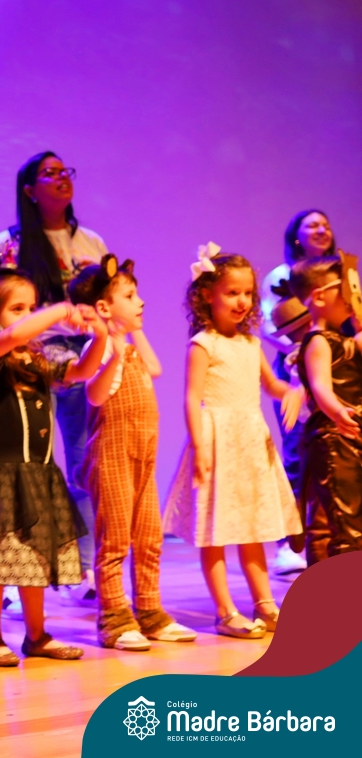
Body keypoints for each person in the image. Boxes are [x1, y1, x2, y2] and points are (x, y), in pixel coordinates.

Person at [0, 268, 105, 666]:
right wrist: (61, 310)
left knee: (34, 558)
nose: (28, 316)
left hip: (38, 474)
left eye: (31, 307)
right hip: (1, 476)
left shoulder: (37, 356)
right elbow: (12, 335)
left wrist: (101, 336)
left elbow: (81, 372)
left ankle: (37, 635)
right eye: (18, 307)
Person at [0, 152, 105, 608]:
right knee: (23, 465)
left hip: (80, 356)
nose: (61, 179)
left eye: (65, 171)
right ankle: (15, 571)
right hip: (28, 357)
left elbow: (108, 297)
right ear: (30, 190)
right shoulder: (8, 243)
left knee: (82, 464)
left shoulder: (90, 241)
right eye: (49, 174)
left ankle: (84, 569)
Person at [163, 245, 303, 638]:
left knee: (252, 528)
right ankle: (225, 612)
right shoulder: (203, 344)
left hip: (250, 443)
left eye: (247, 293)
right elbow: (192, 398)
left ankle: (265, 604)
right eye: (232, 292)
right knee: (216, 530)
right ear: (208, 294)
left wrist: (293, 389)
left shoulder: (251, 343)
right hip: (217, 442)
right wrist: (200, 447)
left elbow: (271, 386)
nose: (242, 301)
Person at [67, 257, 196, 651]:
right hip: (112, 454)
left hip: (143, 454)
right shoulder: (100, 348)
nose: (140, 301)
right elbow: (94, 394)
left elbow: (155, 367)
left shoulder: (131, 347)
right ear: (104, 308)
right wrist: (112, 349)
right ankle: (114, 618)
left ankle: (150, 610)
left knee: (149, 536)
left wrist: (132, 329)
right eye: (129, 296)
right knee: (115, 539)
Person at [259, 209, 339, 575]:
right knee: (297, 454)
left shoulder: (340, 274)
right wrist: (302, 348)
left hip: (337, 363)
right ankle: (291, 544)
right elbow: (268, 325)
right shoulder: (282, 276)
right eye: (312, 225)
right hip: (295, 366)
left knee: (336, 453)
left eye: (325, 224)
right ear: (296, 236)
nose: (322, 230)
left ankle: (334, 534)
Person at [289, 256, 362, 563]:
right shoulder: (318, 341)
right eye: (344, 289)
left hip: (352, 435)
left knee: (356, 520)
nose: (352, 296)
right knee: (345, 523)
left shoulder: (348, 340)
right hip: (333, 438)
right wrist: (336, 411)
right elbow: (320, 386)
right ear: (319, 297)